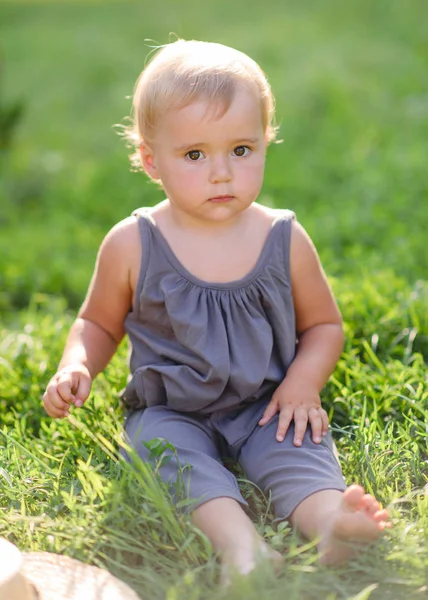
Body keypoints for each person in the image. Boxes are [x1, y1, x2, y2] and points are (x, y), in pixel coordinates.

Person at [43, 39, 390, 582]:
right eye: (195, 155)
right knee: (169, 458)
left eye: (242, 150)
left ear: (265, 144)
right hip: (172, 408)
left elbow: (323, 325)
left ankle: (330, 521)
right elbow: (97, 322)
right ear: (151, 161)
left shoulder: (284, 238)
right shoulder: (133, 244)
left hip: (266, 401)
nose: (222, 173)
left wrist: (301, 384)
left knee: (298, 444)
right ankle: (241, 547)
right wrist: (77, 364)